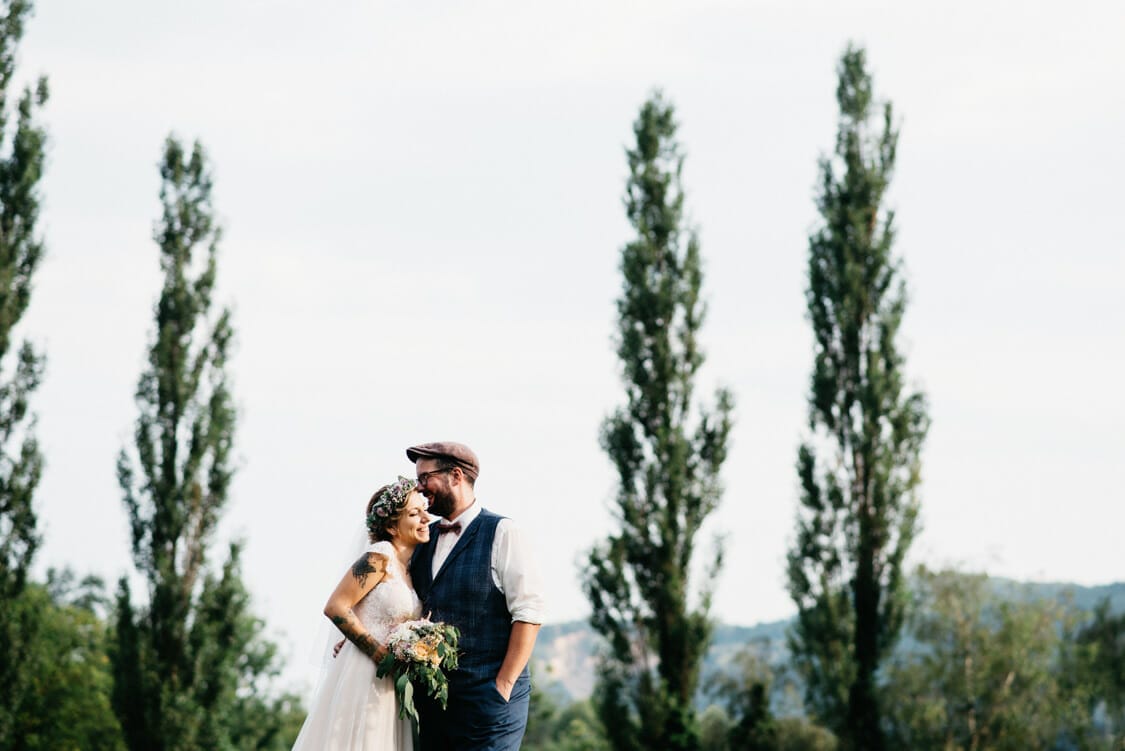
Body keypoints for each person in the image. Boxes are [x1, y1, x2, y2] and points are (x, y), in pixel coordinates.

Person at [406, 441, 546, 751]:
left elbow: (529, 613)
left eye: (425, 477)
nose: (419, 487)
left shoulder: (503, 532)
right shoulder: (422, 540)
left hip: (490, 702)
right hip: (434, 707)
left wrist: (503, 687)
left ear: (455, 475)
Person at [292, 477, 431, 751]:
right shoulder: (378, 557)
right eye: (415, 513)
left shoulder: (410, 568)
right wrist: (378, 653)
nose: (426, 518)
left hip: (392, 681)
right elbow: (336, 606)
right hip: (365, 672)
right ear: (392, 525)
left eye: (424, 509)